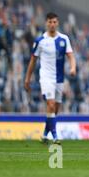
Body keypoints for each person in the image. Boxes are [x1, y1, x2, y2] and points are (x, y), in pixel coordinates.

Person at [24, 12, 76, 144]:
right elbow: (33, 61)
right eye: (50, 22)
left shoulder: (64, 39)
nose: (52, 24)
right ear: (46, 23)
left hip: (59, 78)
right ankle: (55, 136)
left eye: (54, 22)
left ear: (57, 23)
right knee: (50, 104)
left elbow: (70, 56)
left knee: (55, 109)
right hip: (46, 77)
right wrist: (27, 79)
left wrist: (73, 67)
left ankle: (45, 134)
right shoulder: (40, 41)